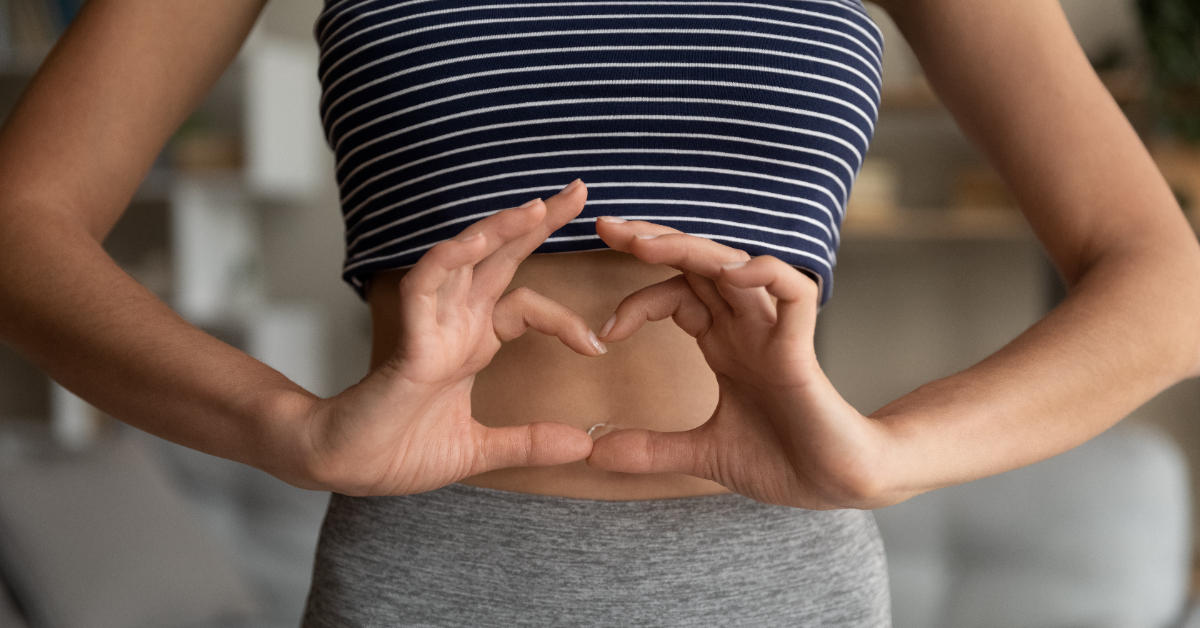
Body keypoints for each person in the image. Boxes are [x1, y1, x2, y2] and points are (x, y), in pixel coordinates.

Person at [0, 0, 1197, 625]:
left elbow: (1164, 285)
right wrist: (291, 431)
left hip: (777, 588)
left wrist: (888, 455)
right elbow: (22, 225)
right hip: (432, 579)